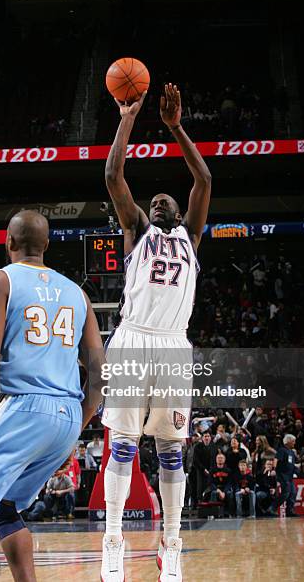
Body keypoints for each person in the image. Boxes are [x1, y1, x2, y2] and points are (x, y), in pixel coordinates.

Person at [0, 210, 104, 582]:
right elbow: (100, 375)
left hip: (21, 407)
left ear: (9, 242)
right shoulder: (78, 294)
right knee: (5, 510)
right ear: (46, 246)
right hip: (67, 415)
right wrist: (77, 427)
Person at [100, 83, 211, 581]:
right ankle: (114, 538)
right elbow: (112, 174)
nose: (161, 201)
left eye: (168, 199)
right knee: (122, 441)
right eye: (155, 200)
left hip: (173, 345)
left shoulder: (190, 235)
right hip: (133, 334)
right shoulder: (137, 230)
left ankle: (171, 542)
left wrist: (175, 128)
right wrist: (129, 116)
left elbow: (204, 180)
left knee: (170, 448)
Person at [269, 434, 299, 517]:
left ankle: (289, 511)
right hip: (282, 476)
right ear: (288, 442)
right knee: (286, 493)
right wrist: (274, 469)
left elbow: (292, 464)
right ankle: (272, 508)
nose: (294, 443)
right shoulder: (282, 450)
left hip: (290, 477)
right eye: (293, 441)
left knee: (293, 493)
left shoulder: (292, 452)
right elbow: (276, 459)